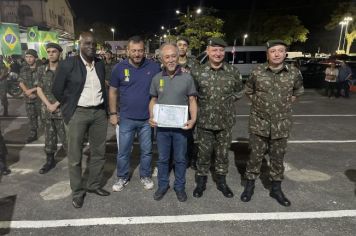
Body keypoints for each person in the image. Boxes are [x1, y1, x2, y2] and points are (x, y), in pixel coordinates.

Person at [240, 40, 304, 207]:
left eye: (280, 51)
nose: (276, 54)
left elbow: (298, 91)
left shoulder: (294, 73)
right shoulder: (257, 71)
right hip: (259, 122)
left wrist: (286, 103)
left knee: (277, 158)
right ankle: (249, 186)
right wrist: (258, 103)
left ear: (285, 54)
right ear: (267, 54)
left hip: (281, 124)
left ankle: (276, 189)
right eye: (273, 51)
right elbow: (248, 90)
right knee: (255, 156)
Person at [52, 32, 110, 209]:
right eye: (87, 43)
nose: (91, 47)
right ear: (79, 44)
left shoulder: (100, 64)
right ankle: (77, 192)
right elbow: (56, 89)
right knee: (75, 156)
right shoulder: (68, 64)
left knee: (99, 153)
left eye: (93, 44)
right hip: (78, 113)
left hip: (99, 113)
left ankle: (93, 185)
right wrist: (70, 105)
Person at [192, 38, 244, 199]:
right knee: (203, 155)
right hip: (204, 122)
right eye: (214, 50)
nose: (218, 53)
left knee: (222, 155)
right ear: (207, 51)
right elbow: (192, 96)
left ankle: (222, 182)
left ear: (224, 52)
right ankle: (201, 183)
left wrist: (225, 103)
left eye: (221, 50)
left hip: (225, 122)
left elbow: (239, 92)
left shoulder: (233, 72)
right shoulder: (198, 72)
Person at [109, 36, 160, 192]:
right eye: (134, 51)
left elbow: (162, 87)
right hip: (126, 118)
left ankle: (145, 175)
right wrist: (112, 113)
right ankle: (122, 177)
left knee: (146, 151)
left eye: (140, 51)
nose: (137, 54)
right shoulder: (118, 68)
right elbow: (112, 92)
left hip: (147, 119)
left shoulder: (154, 67)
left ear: (144, 51)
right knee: (124, 151)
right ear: (128, 51)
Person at [149, 43, 198, 202]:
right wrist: (152, 115)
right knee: (163, 159)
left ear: (178, 57)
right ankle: (163, 186)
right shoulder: (157, 78)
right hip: (162, 128)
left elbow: (192, 100)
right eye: (167, 57)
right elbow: (153, 99)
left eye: (173, 56)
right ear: (161, 59)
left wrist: (193, 119)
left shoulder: (187, 77)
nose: (170, 60)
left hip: (180, 128)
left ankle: (179, 187)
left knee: (180, 159)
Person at [36, 43, 67, 174]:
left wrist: (56, 104)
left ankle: (74, 162)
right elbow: (39, 89)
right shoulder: (41, 69)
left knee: (67, 137)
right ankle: (50, 160)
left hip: (63, 109)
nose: (51, 54)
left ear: (59, 53)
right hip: (47, 110)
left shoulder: (65, 69)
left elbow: (70, 90)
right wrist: (48, 105)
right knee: (49, 136)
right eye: (48, 51)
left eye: (54, 51)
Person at [176, 36, 200, 170]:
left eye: (184, 45)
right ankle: (177, 160)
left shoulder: (194, 63)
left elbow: (198, 81)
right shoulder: (171, 61)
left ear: (187, 48)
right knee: (176, 133)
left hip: (190, 102)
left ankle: (190, 159)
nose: (182, 47)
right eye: (179, 45)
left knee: (190, 133)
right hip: (176, 102)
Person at [19, 49, 41, 143]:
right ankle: (33, 133)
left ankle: (49, 133)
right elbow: (21, 81)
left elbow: (43, 83)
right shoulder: (24, 69)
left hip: (40, 98)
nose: (28, 59)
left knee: (44, 117)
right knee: (31, 117)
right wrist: (27, 92)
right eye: (27, 57)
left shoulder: (41, 68)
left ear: (35, 58)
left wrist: (31, 91)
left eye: (31, 57)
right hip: (28, 98)